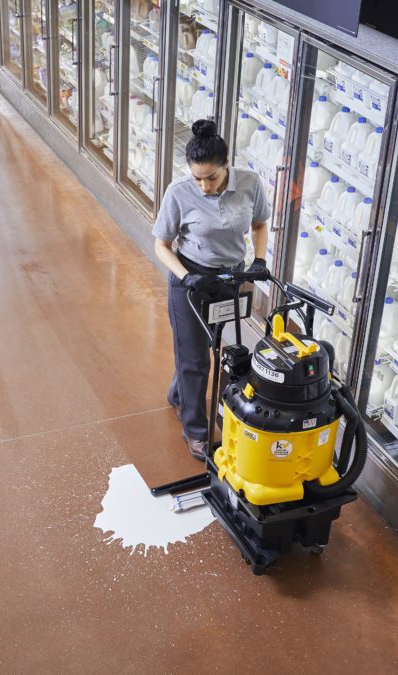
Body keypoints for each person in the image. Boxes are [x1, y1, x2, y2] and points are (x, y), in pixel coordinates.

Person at [152, 119, 271, 460]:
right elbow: (162, 244)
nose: (203, 186)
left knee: (210, 345)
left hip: (229, 280)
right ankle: (196, 432)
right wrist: (186, 276)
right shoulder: (178, 193)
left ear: (226, 167)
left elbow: (260, 223)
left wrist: (259, 260)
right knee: (195, 360)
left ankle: (179, 394)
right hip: (190, 280)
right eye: (197, 178)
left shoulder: (250, 184)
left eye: (211, 177)